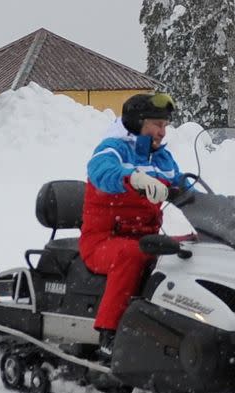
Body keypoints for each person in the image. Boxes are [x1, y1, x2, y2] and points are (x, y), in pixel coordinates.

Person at [80, 93, 183, 360]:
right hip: (103, 241)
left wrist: (222, 204)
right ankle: (109, 333)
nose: (163, 131)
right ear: (138, 122)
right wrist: (132, 179)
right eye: (157, 124)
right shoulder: (112, 148)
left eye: (165, 125)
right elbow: (101, 172)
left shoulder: (161, 158)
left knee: (188, 250)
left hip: (147, 238)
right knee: (131, 255)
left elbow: (184, 186)